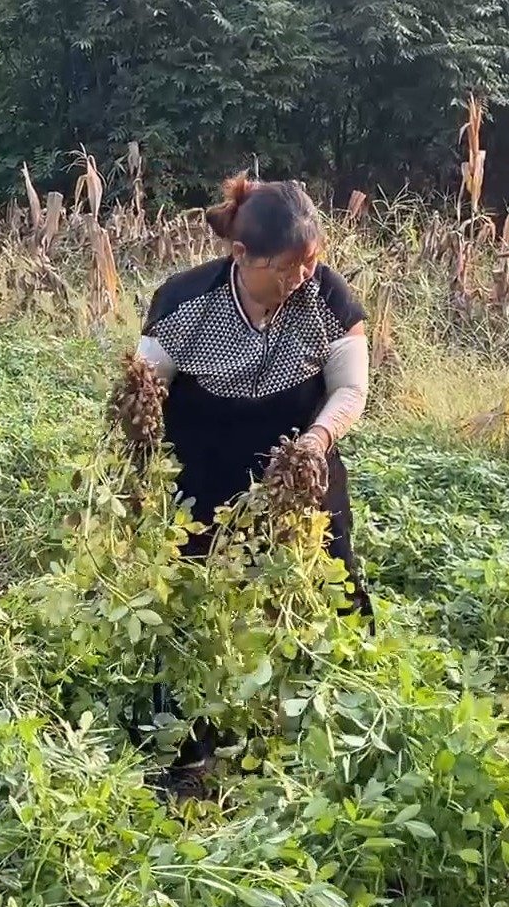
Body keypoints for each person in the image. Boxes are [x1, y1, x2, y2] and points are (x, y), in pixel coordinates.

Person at [136, 173, 372, 617]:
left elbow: (350, 387)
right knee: (195, 595)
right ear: (241, 255)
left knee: (328, 588)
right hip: (203, 471)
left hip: (296, 470)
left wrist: (315, 442)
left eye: (311, 261)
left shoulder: (328, 296)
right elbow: (147, 391)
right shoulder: (184, 301)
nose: (302, 277)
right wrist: (139, 467)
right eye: (286, 267)